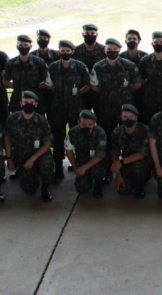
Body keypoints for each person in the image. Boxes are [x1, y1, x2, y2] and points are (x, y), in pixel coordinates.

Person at [91, 38, 141, 182]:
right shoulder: (98, 67)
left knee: (128, 137)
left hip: (126, 109)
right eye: (109, 49)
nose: (112, 51)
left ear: (119, 50)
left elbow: (137, 84)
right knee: (107, 138)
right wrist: (107, 94)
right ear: (104, 50)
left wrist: (124, 94)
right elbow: (94, 86)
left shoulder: (129, 66)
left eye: (115, 49)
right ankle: (107, 169)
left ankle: (127, 166)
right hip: (106, 109)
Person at [46, 40, 91, 180]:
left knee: (78, 138)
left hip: (76, 109)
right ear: (59, 51)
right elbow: (49, 84)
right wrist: (59, 92)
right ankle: (58, 168)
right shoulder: (53, 67)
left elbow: (89, 84)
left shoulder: (80, 66)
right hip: (57, 109)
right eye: (62, 50)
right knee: (58, 140)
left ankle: (79, 165)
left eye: (68, 50)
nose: (65, 53)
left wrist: (78, 93)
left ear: (72, 51)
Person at [3, 91, 54, 202]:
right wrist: (9, 158)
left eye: (32, 102)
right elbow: (7, 138)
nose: (28, 104)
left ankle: (45, 188)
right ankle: (30, 173)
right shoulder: (12, 119)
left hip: (38, 154)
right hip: (20, 155)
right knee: (29, 190)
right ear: (21, 103)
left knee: (47, 165)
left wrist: (32, 159)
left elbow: (48, 143)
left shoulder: (41, 121)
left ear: (36, 105)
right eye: (26, 102)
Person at [110, 104, 151, 198]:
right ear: (121, 118)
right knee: (122, 190)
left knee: (138, 167)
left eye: (131, 117)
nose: (128, 119)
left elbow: (141, 154)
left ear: (136, 117)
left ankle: (140, 186)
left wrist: (121, 162)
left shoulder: (144, 130)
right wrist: (118, 175)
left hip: (142, 162)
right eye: (125, 117)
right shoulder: (117, 132)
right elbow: (114, 153)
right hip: (125, 163)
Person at [64, 110, 107, 199]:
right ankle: (88, 179)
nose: (87, 127)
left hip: (96, 162)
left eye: (90, 125)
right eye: (83, 125)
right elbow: (69, 151)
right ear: (79, 122)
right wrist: (76, 168)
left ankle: (98, 185)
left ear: (94, 123)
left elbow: (100, 155)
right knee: (81, 189)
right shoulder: (73, 132)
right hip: (82, 161)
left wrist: (83, 168)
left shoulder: (100, 133)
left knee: (98, 169)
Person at [3, 34, 48, 114]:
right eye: (20, 45)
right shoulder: (11, 63)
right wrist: (17, 86)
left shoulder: (39, 62)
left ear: (30, 46)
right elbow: (5, 80)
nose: (23, 47)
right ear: (17, 46)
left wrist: (35, 87)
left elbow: (47, 80)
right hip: (17, 99)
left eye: (26, 45)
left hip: (35, 100)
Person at [73, 24, 106, 113]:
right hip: (83, 90)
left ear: (97, 35)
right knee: (83, 117)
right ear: (82, 34)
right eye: (87, 33)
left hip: (99, 90)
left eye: (92, 33)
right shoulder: (75, 51)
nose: (90, 35)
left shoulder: (104, 50)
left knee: (101, 117)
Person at [30, 29, 59, 116]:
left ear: (48, 40)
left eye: (45, 38)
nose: (42, 40)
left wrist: (48, 83)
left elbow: (59, 72)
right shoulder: (32, 55)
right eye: (40, 38)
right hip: (37, 91)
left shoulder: (55, 55)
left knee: (53, 118)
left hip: (52, 92)